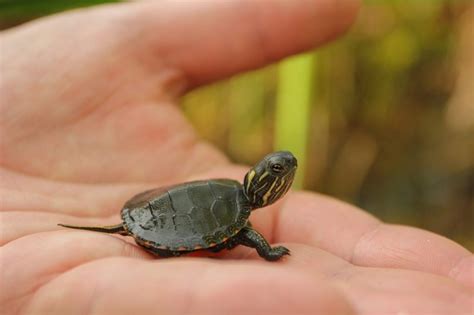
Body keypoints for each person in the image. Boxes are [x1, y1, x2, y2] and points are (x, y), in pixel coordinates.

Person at [0, 1, 472, 314]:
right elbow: (245, 234)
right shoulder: (239, 210)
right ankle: (148, 236)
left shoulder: (235, 196)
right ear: (261, 180)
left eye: (279, 170)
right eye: (276, 170)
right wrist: (268, 252)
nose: (281, 169)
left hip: (148, 208)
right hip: (152, 223)